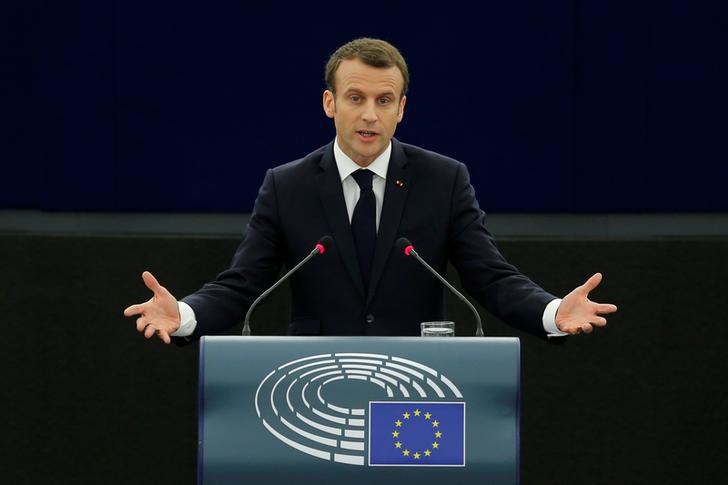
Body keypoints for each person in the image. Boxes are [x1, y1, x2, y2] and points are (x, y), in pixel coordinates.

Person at [123, 38, 617, 344]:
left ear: (401, 108)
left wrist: (551, 311)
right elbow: (243, 285)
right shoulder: (287, 185)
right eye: (355, 98)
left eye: (384, 101)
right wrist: (185, 313)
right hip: (312, 380)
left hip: (416, 384)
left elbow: (490, 278)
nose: (369, 115)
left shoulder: (443, 180)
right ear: (329, 103)